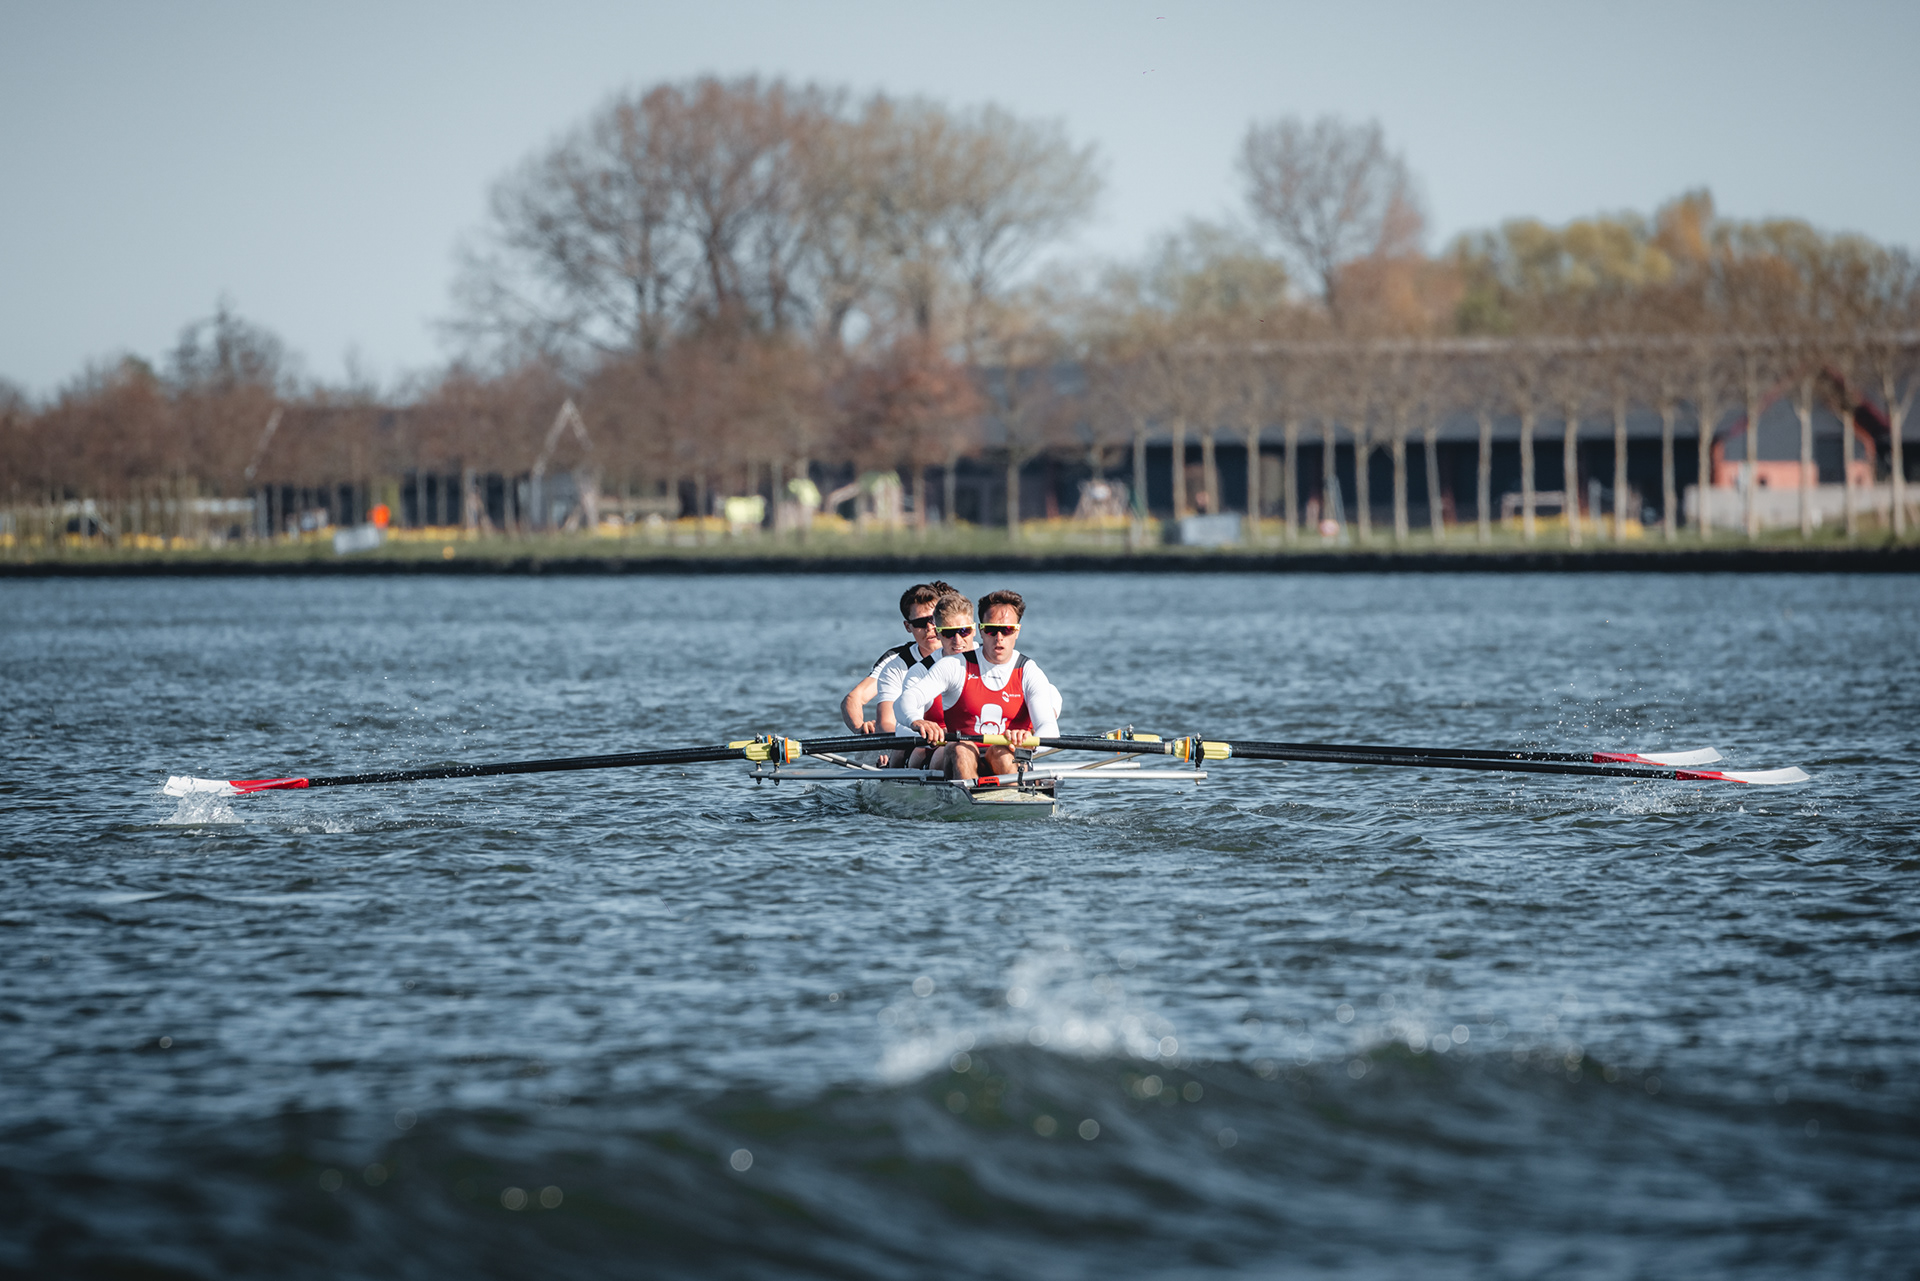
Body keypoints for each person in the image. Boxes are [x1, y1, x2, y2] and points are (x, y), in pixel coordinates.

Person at [897, 589, 1062, 781]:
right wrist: (917, 721)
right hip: (961, 754)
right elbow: (906, 700)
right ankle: (972, 795)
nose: (999, 637)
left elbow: (1050, 729)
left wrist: (1030, 742)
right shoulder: (954, 665)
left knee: (1003, 755)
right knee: (962, 750)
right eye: (992, 630)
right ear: (981, 631)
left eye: (1007, 630)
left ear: (1017, 631)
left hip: (1005, 755)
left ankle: (1010, 794)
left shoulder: (1029, 671)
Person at [839, 581, 955, 735]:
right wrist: (860, 728)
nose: (929, 628)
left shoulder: (968, 651)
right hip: (917, 736)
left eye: (933, 620)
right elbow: (855, 698)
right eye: (920, 622)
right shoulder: (896, 662)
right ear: (908, 626)